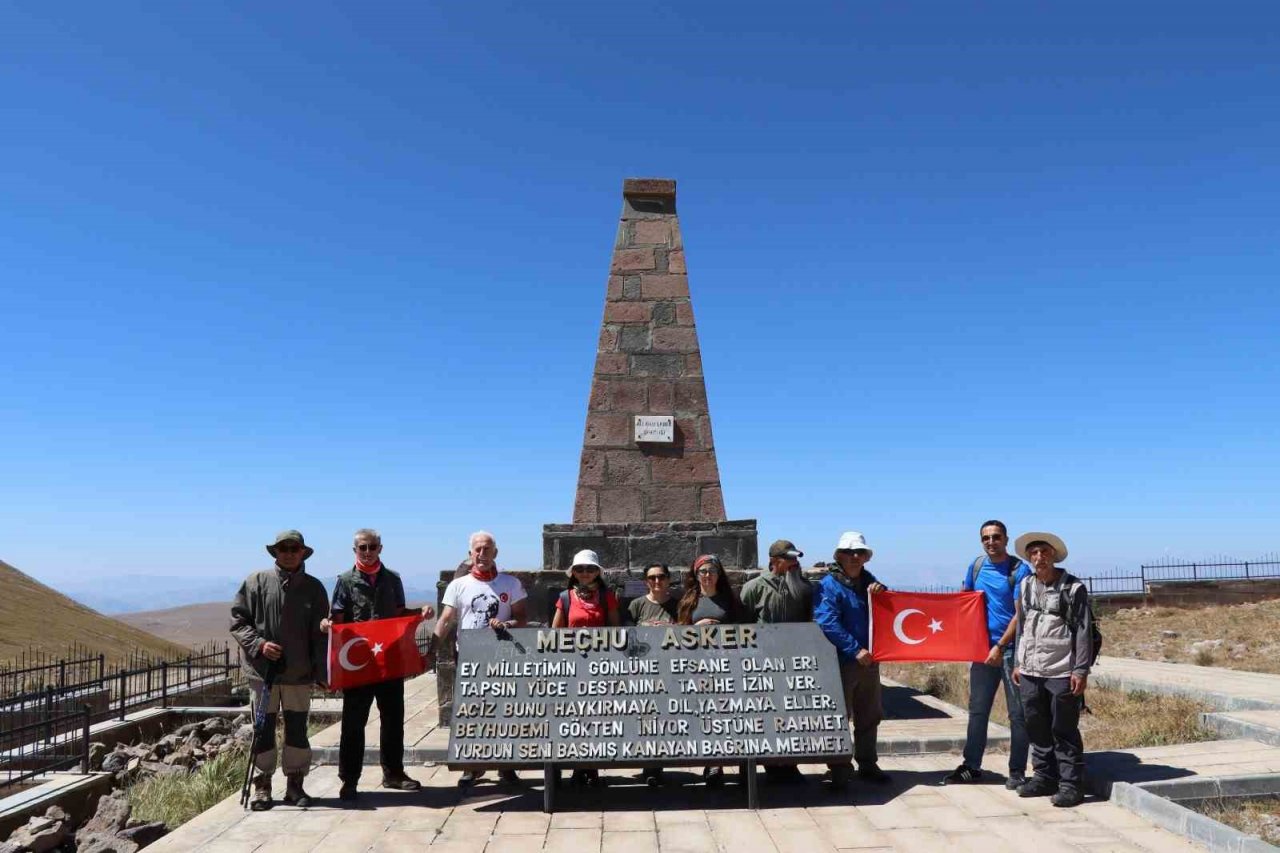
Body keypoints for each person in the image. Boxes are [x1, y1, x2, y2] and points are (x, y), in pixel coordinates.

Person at [321, 529, 436, 803]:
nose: (368, 551)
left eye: (372, 546)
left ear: (380, 548)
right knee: (353, 724)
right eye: (363, 547)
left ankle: (394, 773)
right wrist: (328, 625)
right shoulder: (345, 581)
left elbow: (398, 614)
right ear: (355, 550)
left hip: (389, 662)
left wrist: (419, 614)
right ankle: (349, 780)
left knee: (394, 720)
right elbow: (337, 616)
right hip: (358, 665)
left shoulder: (393, 579)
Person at [230, 530, 330, 810]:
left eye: (294, 548)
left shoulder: (314, 588)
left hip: (298, 674)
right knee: (263, 729)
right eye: (283, 548)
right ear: (275, 552)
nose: (288, 552)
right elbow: (238, 621)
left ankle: (295, 785)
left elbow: (320, 636)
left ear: (302, 552)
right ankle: (262, 785)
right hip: (263, 674)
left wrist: (321, 672)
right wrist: (259, 645)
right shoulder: (256, 582)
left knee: (297, 730)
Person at [426, 530, 528, 787]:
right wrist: (432, 650)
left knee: (506, 712)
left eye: (487, 549)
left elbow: (522, 618)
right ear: (470, 554)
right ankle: (473, 766)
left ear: (496, 553)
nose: (482, 554)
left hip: (503, 656)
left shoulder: (510, 584)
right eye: (477, 550)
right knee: (473, 713)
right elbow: (446, 619)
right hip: (470, 657)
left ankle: (507, 765)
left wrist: (506, 623)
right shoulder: (458, 585)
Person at [943, 520, 1032, 788]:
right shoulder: (977, 565)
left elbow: (1021, 613)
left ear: (1006, 539)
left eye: (996, 537)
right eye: (986, 538)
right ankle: (971, 766)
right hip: (982, 651)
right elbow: (966, 600)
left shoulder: (1019, 570)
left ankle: (1016, 771)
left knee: (1017, 714)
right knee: (977, 710)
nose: (991, 541)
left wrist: (1001, 646)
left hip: (1011, 651)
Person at [1011, 531, 1093, 808]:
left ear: (1054, 555)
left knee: (1064, 728)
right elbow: (1022, 626)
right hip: (1031, 670)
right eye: (1033, 553)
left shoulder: (1073, 588)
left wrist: (1080, 670)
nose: (1039, 557)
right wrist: (1018, 663)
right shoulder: (1025, 585)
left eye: (1044, 552)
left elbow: (1083, 631)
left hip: (1061, 670)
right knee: (1036, 726)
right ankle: (1044, 776)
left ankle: (1071, 784)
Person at [813, 531, 890, 788]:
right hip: (843, 662)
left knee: (869, 715)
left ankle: (867, 763)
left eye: (859, 553)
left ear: (865, 557)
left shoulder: (871, 583)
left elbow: (886, 611)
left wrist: (883, 592)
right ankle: (839, 767)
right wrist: (855, 649)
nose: (855, 557)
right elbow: (827, 621)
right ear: (840, 557)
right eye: (850, 553)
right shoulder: (828, 585)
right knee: (839, 717)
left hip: (870, 662)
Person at [739, 539, 814, 785]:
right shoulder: (753, 588)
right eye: (788, 559)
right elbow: (744, 625)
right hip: (762, 664)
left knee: (791, 716)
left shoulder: (803, 587)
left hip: (793, 664)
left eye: (795, 559)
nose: (794, 563)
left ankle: (789, 765)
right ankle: (761, 766)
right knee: (763, 716)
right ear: (774, 561)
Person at [549, 549, 618, 787]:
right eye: (580, 569)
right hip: (572, 665)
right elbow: (555, 632)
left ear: (597, 572)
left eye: (590, 569)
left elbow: (615, 630)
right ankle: (579, 765)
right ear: (574, 573)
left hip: (600, 666)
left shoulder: (607, 596)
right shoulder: (565, 597)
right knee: (575, 717)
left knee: (597, 716)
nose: (585, 573)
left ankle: (592, 765)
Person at [677, 554, 746, 786]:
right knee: (708, 716)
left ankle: (744, 763)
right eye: (703, 572)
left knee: (733, 714)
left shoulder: (731, 600)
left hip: (727, 664)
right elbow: (678, 633)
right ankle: (713, 763)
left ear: (719, 574)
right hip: (699, 666)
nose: (707, 575)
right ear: (696, 576)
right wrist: (695, 629)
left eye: (712, 571)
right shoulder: (688, 601)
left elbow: (744, 629)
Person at [626, 562, 679, 786]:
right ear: (646, 581)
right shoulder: (636, 605)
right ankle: (651, 766)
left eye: (661, 577)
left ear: (668, 579)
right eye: (652, 578)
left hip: (672, 670)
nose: (657, 581)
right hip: (644, 672)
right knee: (647, 720)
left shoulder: (679, 605)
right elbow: (626, 637)